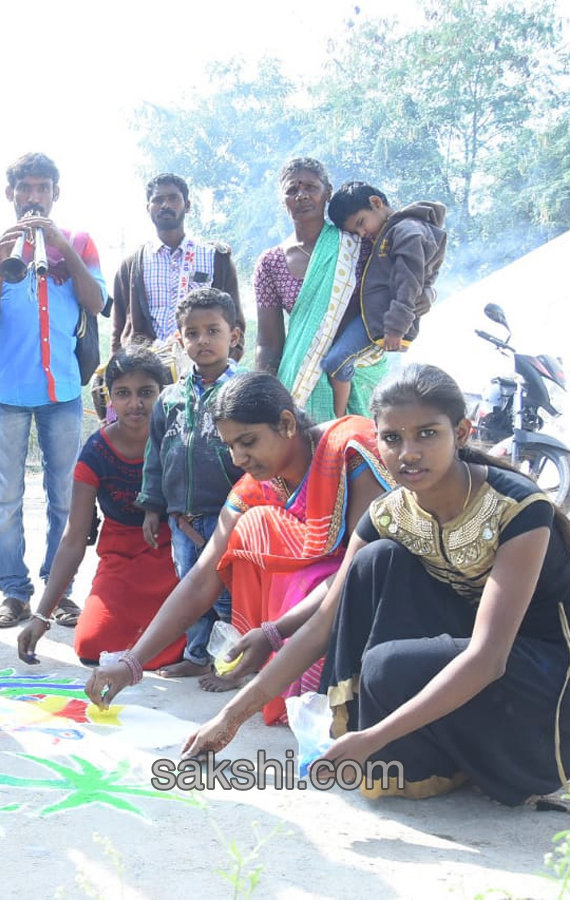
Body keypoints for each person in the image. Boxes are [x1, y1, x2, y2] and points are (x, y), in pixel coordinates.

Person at [179, 364, 570, 807]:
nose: (408, 453)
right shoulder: (389, 512)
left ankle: (492, 759)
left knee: (386, 667)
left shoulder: (516, 508)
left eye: (427, 434)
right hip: (466, 643)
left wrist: (372, 738)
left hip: (537, 671)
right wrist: (230, 717)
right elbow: (324, 623)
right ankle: (435, 752)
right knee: (375, 561)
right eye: (392, 438)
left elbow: (488, 657)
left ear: (460, 432)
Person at [83, 372, 391, 721]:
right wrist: (131, 664)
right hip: (306, 612)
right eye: (230, 446)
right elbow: (201, 578)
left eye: (248, 441)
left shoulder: (347, 453)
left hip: (368, 601)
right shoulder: (255, 487)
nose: (238, 458)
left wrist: (276, 632)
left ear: (287, 424)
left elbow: (359, 571)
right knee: (249, 527)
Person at [0, 152, 107, 629]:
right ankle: (12, 592)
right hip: (6, 391)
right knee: (4, 497)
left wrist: (59, 246)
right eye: (25, 188)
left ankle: (60, 590)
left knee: (64, 498)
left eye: (42, 188)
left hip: (63, 392)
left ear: (56, 193)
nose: (33, 196)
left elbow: (96, 302)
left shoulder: (80, 243)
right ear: (10, 194)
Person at [16, 345, 183, 667]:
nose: (135, 404)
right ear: (110, 398)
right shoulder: (95, 453)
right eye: (123, 393)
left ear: (163, 394)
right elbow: (73, 539)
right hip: (120, 559)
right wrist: (41, 614)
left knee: (183, 643)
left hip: (173, 558)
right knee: (92, 644)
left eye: (146, 392)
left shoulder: (177, 440)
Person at [135, 288, 245, 683]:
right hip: (182, 517)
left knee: (229, 592)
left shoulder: (244, 391)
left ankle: (234, 663)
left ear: (233, 335)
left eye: (212, 330)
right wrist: (153, 506)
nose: (203, 341)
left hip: (231, 513)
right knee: (190, 589)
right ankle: (198, 655)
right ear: (181, 339)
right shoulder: (169, 398)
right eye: (192, 333)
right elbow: (155, 455)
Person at [254, 158, 386, 422]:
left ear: (328, 192)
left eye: (311, 187)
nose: (301, 195)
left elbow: (385, 300)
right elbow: (269, 343)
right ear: (283, 201)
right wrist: (263, 396)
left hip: (357, 372)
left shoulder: (357, 245)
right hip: (299, 379)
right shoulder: (270, 263)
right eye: (292, 190)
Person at [322, 182, 448, 417]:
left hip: (386, 324)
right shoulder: (391, 232)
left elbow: (408, 283)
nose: (362, 234)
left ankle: (338, 419)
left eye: (361, 223)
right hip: (378, 320)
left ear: (376, 203)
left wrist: (395, 328)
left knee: (335, 362)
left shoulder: (406, 232)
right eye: (355, 232)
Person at [111, 174, 245, 360]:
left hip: (203, 368)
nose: (165, 205)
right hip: (147, 372)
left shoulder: (216, 258)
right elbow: (119, 328)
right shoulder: (132, 265)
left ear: (187, 205)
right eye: (157, 200)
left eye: (173, 198)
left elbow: (235, 318)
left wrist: (227, 364)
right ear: (148, 208)